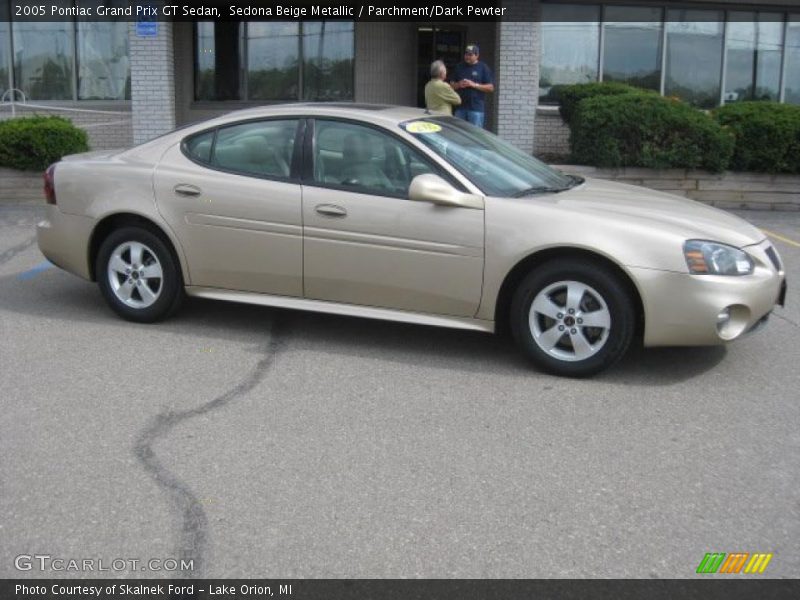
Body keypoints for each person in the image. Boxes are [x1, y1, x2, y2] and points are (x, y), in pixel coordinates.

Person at [450, 44, 494, 128]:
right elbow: (451, 86)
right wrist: (458, 84)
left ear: (477, 55)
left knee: (475, 135)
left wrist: (474, 85)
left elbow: (490, 88)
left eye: (470, 55)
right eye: (466, 54)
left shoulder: (483, 67)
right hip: (460, 108)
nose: (467, 57)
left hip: (476, 108)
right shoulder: (459, 67)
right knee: (458, 133)